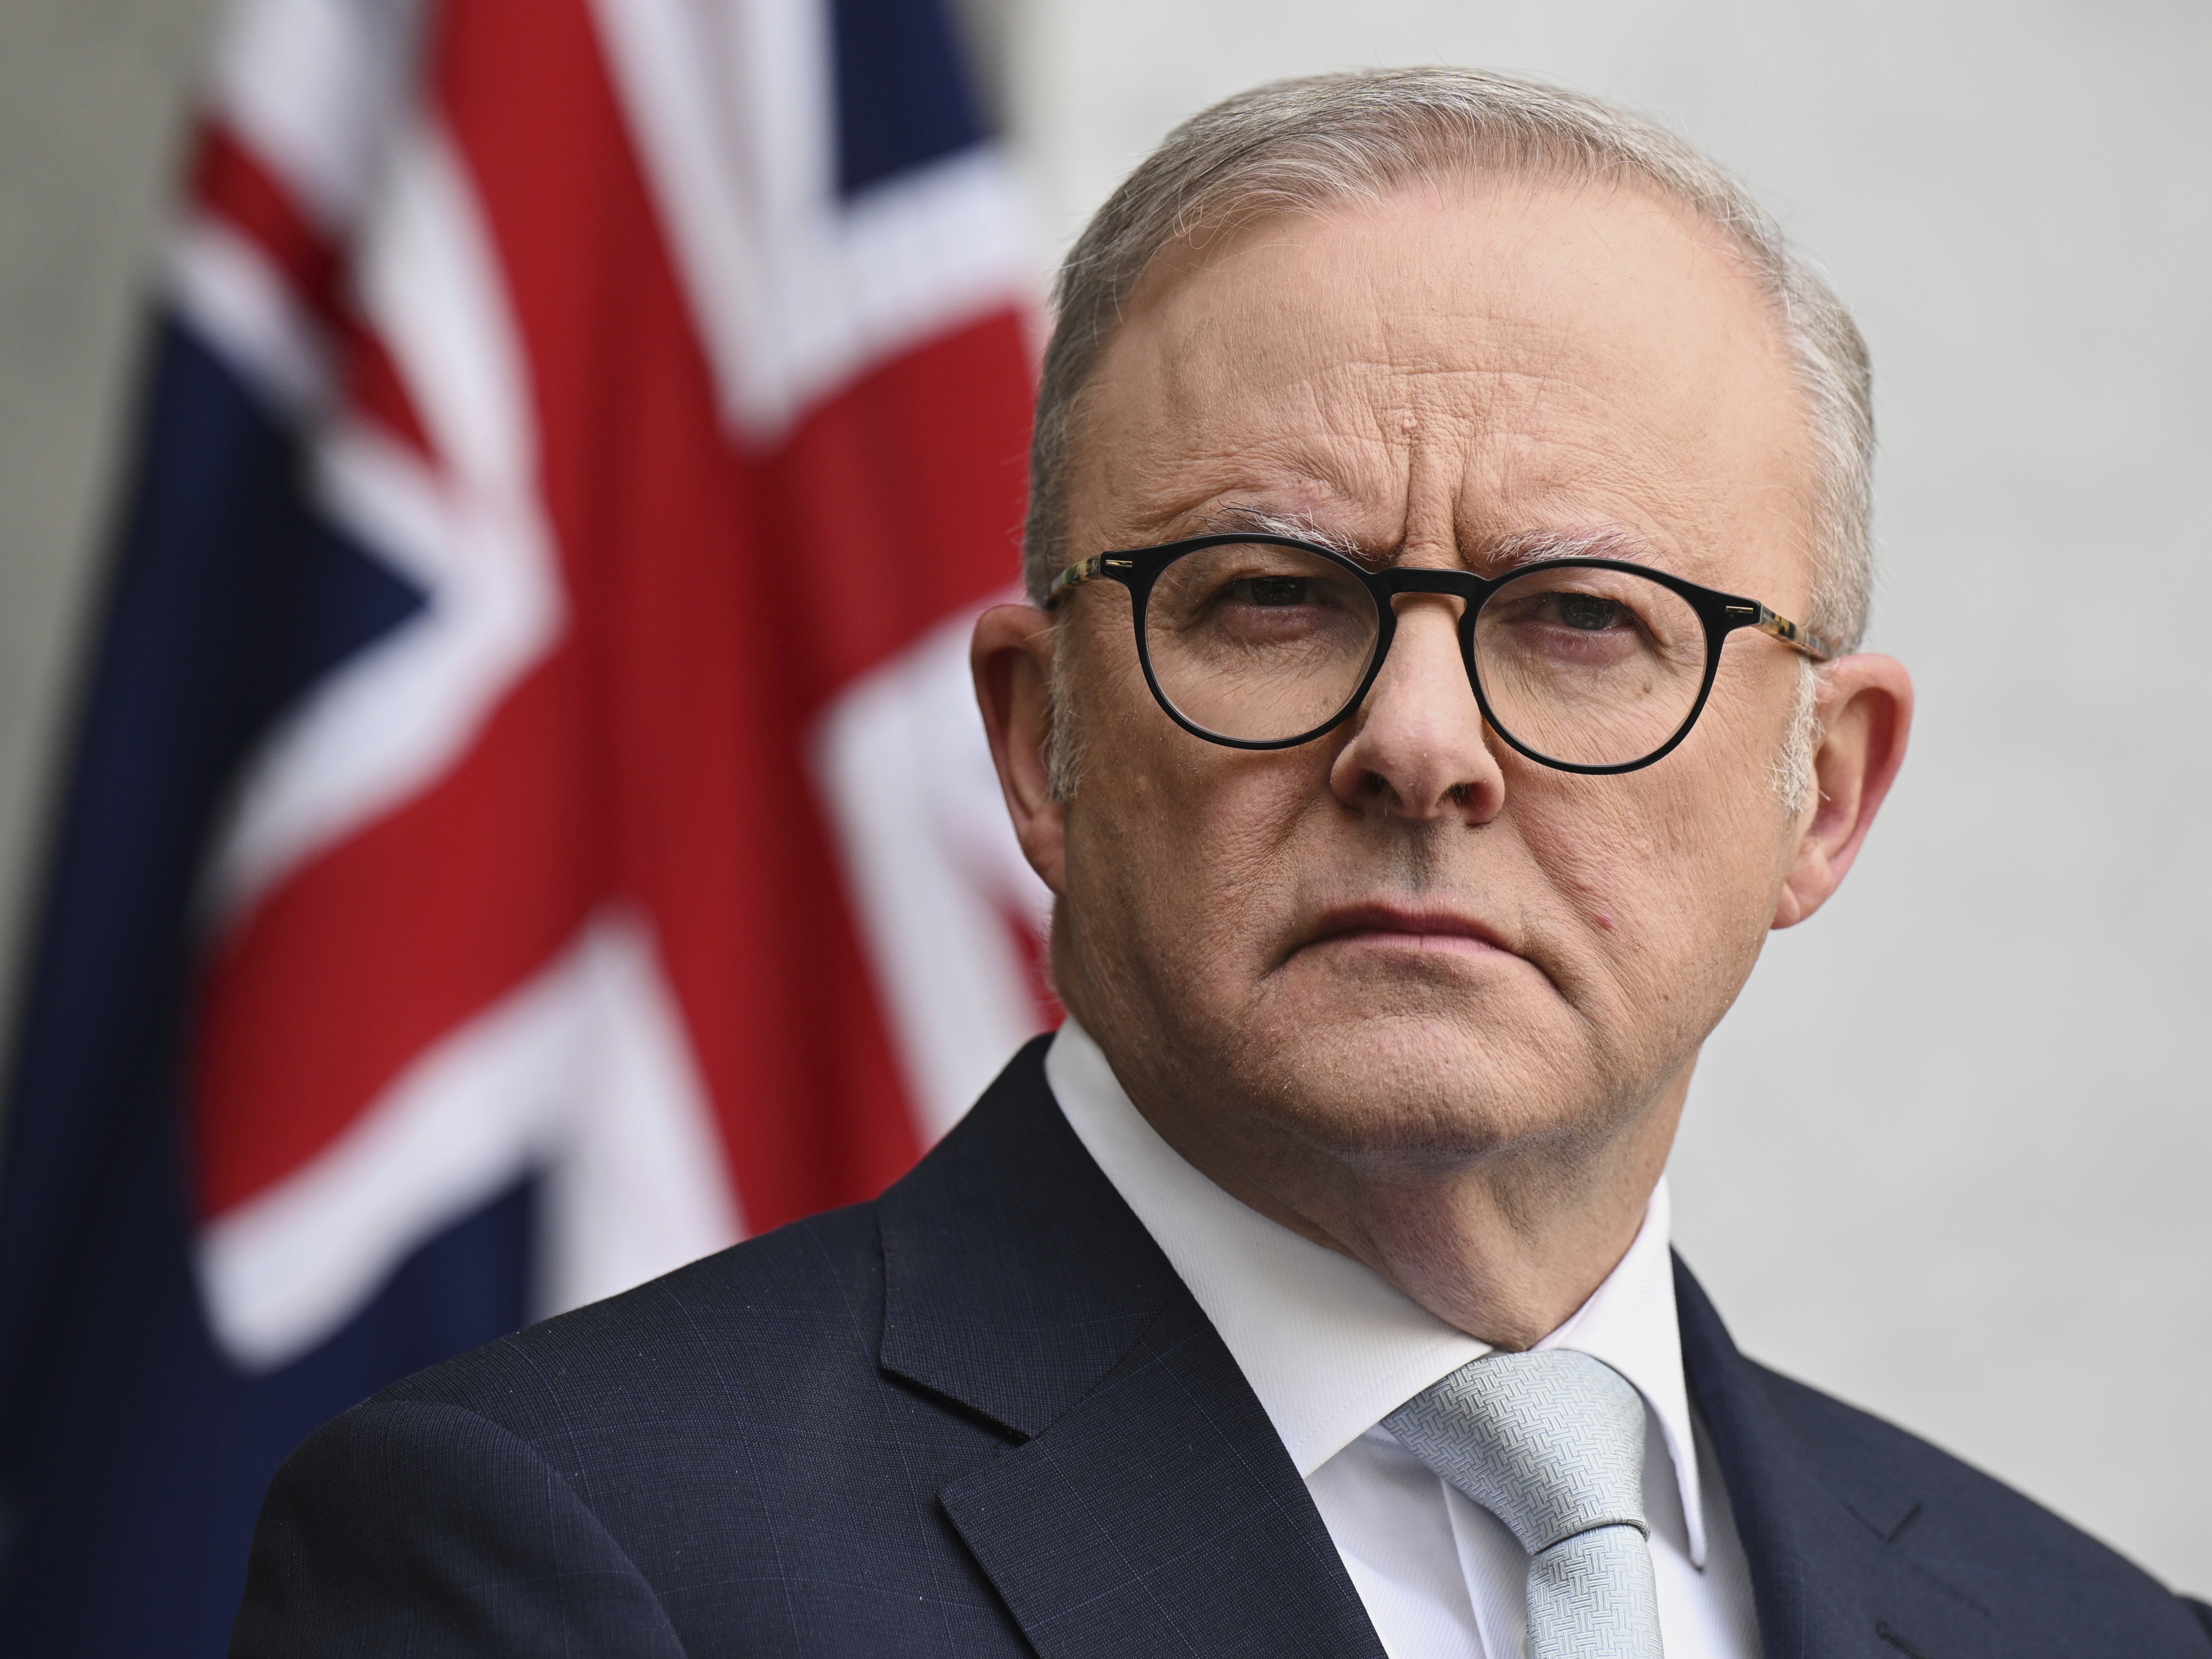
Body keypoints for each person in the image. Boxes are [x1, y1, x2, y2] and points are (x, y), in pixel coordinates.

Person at [231, 69, 2212, 1657]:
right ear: (1041, 742)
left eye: (1585, 619)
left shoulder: (2093, 1629)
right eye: (1268, 597)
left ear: (1827, 789)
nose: (1419, 744)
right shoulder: (562, 1563)